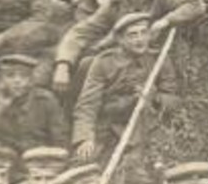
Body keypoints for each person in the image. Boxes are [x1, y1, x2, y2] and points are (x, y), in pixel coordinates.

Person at [52, 0, 203, 87]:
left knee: (91, 66)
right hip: (122, 57)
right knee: (82, 63)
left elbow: (195, 4)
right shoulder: (116, 3)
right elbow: (82, 32)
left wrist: (165, 21)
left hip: (148, 59)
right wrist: (63, 64)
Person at [71, 13, 180, 164]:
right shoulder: (103, 62)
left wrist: (154, 97)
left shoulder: (159, 59)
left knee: (149, 165)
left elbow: (173, 101)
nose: (140, 39)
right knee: (84, 163)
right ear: (120, 40)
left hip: (147, 124)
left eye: (144, 33)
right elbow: (88, 104)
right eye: (132, 35)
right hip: (109, 125)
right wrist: (84, 138)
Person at [0, 53, 66, 151]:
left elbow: (60, 139)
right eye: (10, 76)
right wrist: (0, 110)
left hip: (36, 159)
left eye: (24, 76)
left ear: (31, 80)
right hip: (4, 159)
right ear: (2, 79)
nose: (17, 81)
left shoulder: (45, 100)